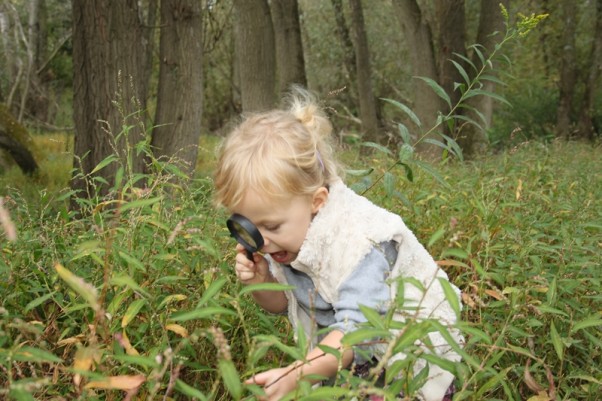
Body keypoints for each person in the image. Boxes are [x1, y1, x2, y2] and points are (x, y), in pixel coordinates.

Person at [213, 87, 463, 401]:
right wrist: (263, 282)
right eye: (248, 227)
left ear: (316, 201)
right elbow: (284, 303)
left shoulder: (360, 242)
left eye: (271, 226)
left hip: (406, 355)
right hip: (347, 356)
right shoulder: (287, 235)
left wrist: (297, 373)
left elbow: (360, 334)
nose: (261, 241)